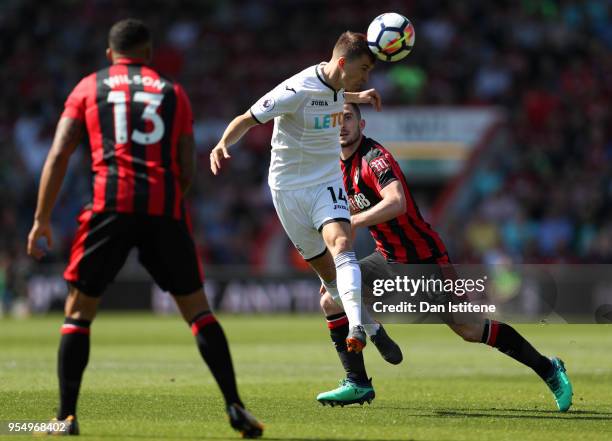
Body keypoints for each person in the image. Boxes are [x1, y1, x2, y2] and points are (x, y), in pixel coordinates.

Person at [26, 19, 263, 438]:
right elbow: (187, 160)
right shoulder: (174, 91)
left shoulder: (88, 87)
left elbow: (60, 152)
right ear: (149, 53)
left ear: (109, 54)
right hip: (163, 207)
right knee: (199, 312)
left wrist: (42, 218)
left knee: (78, 314)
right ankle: (236, 406)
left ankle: (64, 418)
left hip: (109, 206)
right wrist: (171, 196)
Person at [315, 103, 573, 413]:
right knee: (331, 300)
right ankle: (358, 381)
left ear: (362, 123)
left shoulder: (375, 159)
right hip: (386, 257)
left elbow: (396, 202)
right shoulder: (336, 166)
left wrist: (354, 222)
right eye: (337, 119)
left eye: (349, 117)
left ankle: (549, 369)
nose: (342, 124)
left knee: (470, 329)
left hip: (423, 259)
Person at [210, 31, 391, 354]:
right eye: (364, 68)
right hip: (287, 190)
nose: (366, 76)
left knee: (342, 243)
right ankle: (373, 327)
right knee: (328, 274)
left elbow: (336, 96)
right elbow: (248, 118)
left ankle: (357, 327)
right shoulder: (296, 90)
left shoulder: (340, 86)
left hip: (326, 181)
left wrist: (360, 97)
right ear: (342, 63)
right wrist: (223, 143)